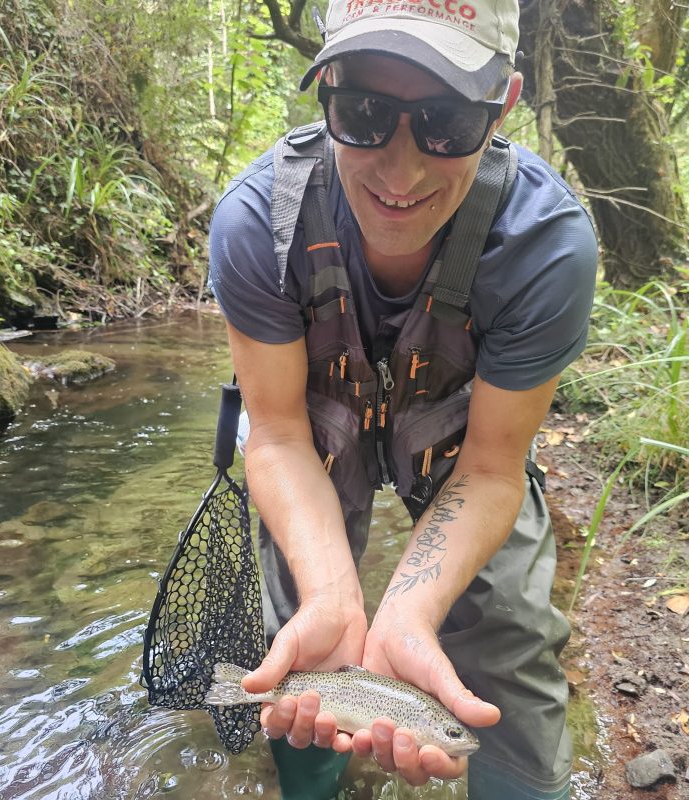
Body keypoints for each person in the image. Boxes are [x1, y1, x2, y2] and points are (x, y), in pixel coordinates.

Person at [208, 1, 598, 798]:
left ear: (504, 105)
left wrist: (408, 613)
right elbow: (277, 436)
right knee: (308, 643)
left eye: (447, 122)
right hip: (315, 433)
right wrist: (332, 595)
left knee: (509, 642)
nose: (401, 170)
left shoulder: (544, 246)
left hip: (464, 447)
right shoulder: (259, 222)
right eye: (365, 114)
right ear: (325, 95)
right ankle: (311, 786)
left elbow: (494, 468)